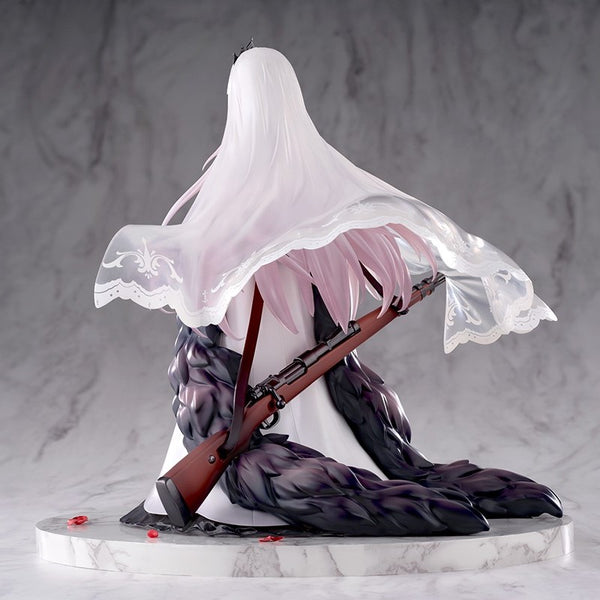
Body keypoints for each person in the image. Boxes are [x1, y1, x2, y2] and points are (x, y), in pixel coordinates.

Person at [95, 46, 562, 535]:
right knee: (237, 446)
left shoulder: (284, 201)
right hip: (235, 398)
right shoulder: (274, 202)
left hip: (296, 383)